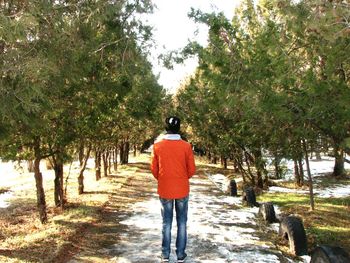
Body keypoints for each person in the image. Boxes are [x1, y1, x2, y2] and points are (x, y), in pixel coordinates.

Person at [150, 116, 196, 263]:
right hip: (182, 188)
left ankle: (165, 255)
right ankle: (181, 254)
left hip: (165, 188)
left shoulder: (157, 146)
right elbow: (192, 170)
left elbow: (154, 169)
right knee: (182, 222)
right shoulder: (186, 146)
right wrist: (182, 178)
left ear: (166, 128)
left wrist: (163, 179)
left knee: (166, 222)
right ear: (179, 128)